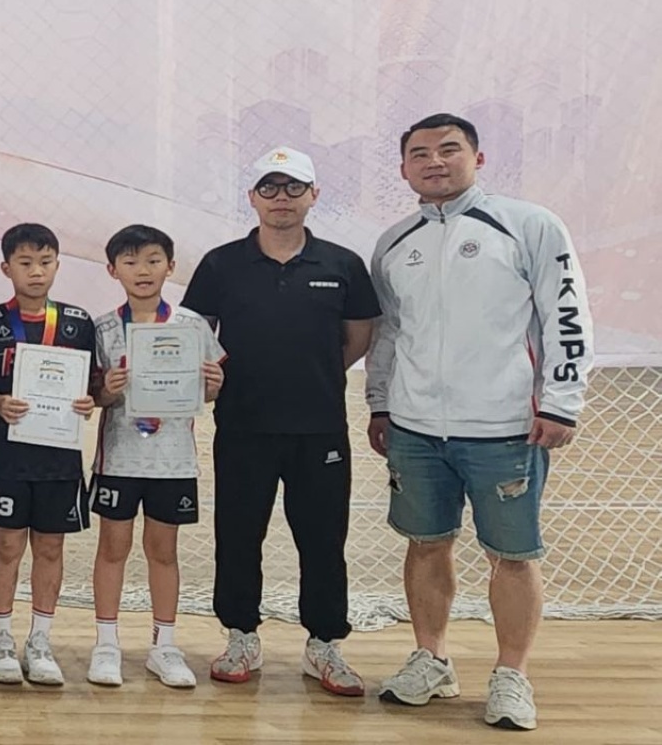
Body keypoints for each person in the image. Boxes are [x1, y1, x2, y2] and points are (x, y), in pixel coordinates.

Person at [366, 113, 594, 732]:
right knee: (425, 543)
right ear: (404, 168)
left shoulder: (530, 225)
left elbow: (567, 315)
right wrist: (381, 402)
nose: (435, 162)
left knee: (513, 555)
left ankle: (512, 675)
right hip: (415, 429)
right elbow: (389, 332)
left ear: (479, 157)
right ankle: (432, 659)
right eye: (420, 154)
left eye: (449, 149)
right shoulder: (394, 242)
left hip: (505, 427)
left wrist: (561, 402)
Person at [180, 147, 378, 695]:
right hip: (243, 426)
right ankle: (240, 635)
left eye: (294, 187)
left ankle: (325, 644)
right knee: (239, 535)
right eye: (269, 187)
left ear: (314, 195)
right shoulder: (221, 264)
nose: (281, 198)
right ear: (252, 197)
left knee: (323, 540)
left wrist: (312, 374)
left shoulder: (343, 264)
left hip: (319, 429)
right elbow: (196, 333)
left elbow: (358, 337)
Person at [87, 225, 224, 689]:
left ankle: (164, 646)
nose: (142, 270)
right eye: (129, 262)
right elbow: (95, 398)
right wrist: (107, 391)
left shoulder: (192, 325)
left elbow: (207, 391)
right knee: (113, 549)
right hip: (119, 459)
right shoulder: (103, 328)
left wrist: (214, 386)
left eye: (152, 260)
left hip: (173, 461)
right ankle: (107, 644)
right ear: (112, 270)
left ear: (171, 266)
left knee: (163, 552)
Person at [0, 223, 97, 687]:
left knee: (50, 546)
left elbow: (95, 384)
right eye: (25, 263)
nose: (36, 271)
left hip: (60, 459)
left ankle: (40, 640)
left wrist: (91, 400)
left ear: (58, 265)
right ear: (7, 268)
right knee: (6, 545)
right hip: (7, 458)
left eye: (45, 262)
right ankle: (1, 639)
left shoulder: (79, 323)